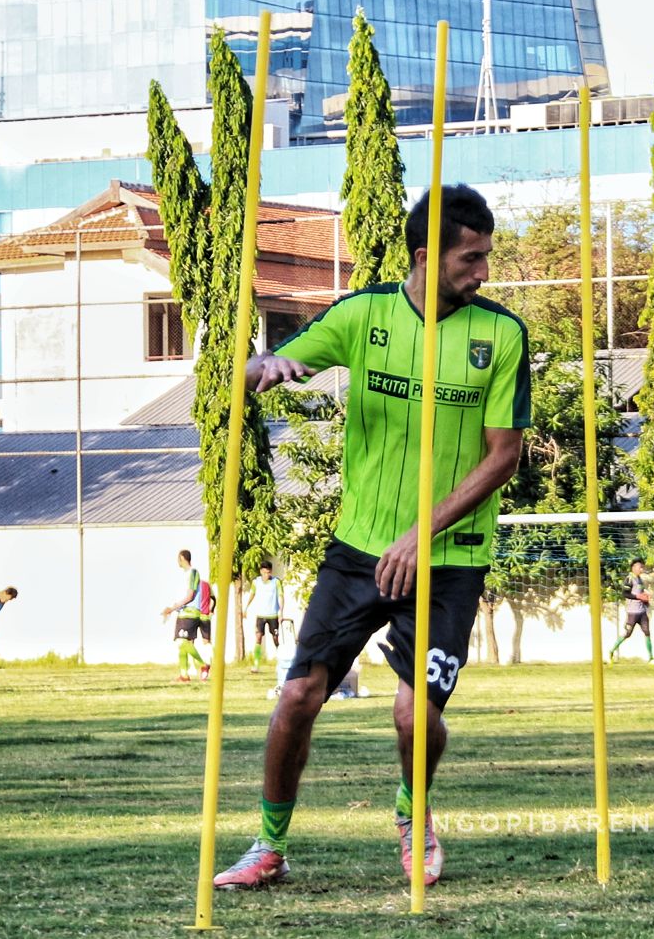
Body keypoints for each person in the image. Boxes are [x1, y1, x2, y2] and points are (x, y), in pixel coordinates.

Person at [215, 185, 529, 890]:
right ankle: (268, 847)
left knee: (413, 710)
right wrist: (260, 368)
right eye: (470, 259)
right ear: (426, 256)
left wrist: (422, 532)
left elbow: (502, 455)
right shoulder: (364, 315)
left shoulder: (501, 334)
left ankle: (412, 814)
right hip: (358, 551)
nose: (483, 273)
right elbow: (250, 371)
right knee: (296, 697)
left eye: (486, 258)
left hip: (448, 557)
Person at [162, 549, 209, 682]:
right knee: (182, 642)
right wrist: (173, 608)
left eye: (178, 558)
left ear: (182, 558)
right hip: (183, 612)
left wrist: (172, 608)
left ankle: (202, 664)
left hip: (190, 612)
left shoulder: (193, 573)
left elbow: (190, 596)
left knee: (182, 642)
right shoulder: (184, 575)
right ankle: (184, 675)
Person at [608, 559, 654, 664]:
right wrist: (638, 596)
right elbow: (625, 594)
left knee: (647, 632)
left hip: (642, 612)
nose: (641, 569)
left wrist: (646, 600)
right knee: (627, 634)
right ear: (633, 568)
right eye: (640, 567)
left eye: (642, 567)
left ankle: (651, 658)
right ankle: (611, 651)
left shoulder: (640, 579)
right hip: (632, 612)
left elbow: (641, 594)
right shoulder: (629, 579)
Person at [245, 561, 283, 674]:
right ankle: (256, 664)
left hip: (273, 615)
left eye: (269, 572)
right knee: (258, 638)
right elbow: (252, 594)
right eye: (265, 572)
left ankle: (281, 662)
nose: (267, 575)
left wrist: (282, 611)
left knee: (276, 639)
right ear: (261, 571)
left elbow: (281, 596)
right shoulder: (256, 582)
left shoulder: (276, 582)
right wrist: (246, 607)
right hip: (260, 615)